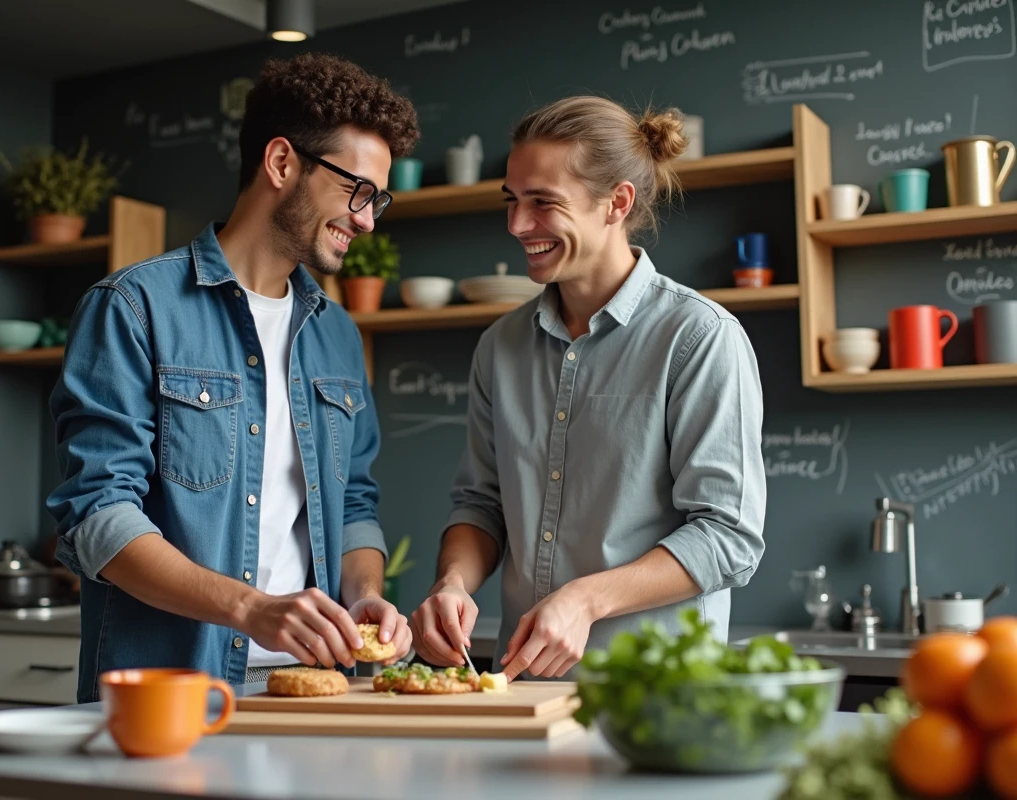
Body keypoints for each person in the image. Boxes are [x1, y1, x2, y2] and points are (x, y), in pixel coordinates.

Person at [46, 53, 420, 700]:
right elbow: (99, 519)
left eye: (378, 201)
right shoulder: (134, 309)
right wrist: (252, 609)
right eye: (357, 191)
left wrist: (363, 595)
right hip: (170, 693)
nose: (367, 219)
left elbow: (354, 503)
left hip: (310, 691)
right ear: (281, 163)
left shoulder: (336, 334)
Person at [410, 96, 767, 682]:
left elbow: (728, 535)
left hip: (658, 695)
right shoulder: (499, 347)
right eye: (512, 201)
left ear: (616, 203)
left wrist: (586, 599)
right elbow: (481, 504)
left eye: (543, 203)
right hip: (524, 689)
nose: (517, 225)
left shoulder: (699, 337)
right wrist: (452, 582)